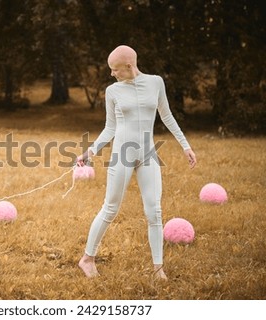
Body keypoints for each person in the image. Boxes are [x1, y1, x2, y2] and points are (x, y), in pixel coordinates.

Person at [77, 45, 197, 280]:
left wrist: (186, 145)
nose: (112, 74)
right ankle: (87, 259)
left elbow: (167, 115)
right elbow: (110, 127)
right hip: (122, 154)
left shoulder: (155, 83)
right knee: (110, 208)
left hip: (148, 154)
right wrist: (89, 152)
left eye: (115, 69)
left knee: (155, 210)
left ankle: (157, 269)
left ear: (129, 66)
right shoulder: (112, 91)